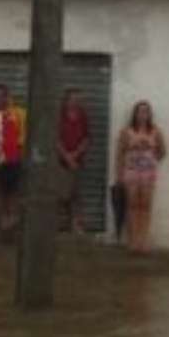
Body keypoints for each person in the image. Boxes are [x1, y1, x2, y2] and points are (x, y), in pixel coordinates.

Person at [115, 100, 166, 254]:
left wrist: (149, 149)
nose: (143, 114)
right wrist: (119, 175)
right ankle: (133, 241)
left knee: (145, 206)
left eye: (146, 111)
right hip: (131, 172)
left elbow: (162, 152)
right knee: (132, 206)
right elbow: (120, 154)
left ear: (150, 114)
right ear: (135, 114)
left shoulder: (156, 131)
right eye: (140, 111)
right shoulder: (126, 131)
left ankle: (143, 241)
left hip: (148, 173)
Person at [0, 84, 27, 238]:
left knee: (13, 193)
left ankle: (11, 222)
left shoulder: (19, 113)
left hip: (15, 160)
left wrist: (22, 150)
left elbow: (25, 133)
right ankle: (3, 222)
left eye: (3, 95)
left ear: (8, 97)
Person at [57, 89, 91, 233]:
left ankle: (75, 225)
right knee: (60, 194)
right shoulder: (59, 116)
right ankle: (60, 223)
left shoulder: (83, 117)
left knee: (75, 194)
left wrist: (75, 155)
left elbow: (87, 138)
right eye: (72, 99)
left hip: (77, 161)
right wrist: (66, 156)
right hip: (60, 161)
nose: (75, 102)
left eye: (78, 99)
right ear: (66, 100)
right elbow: (54, 138)